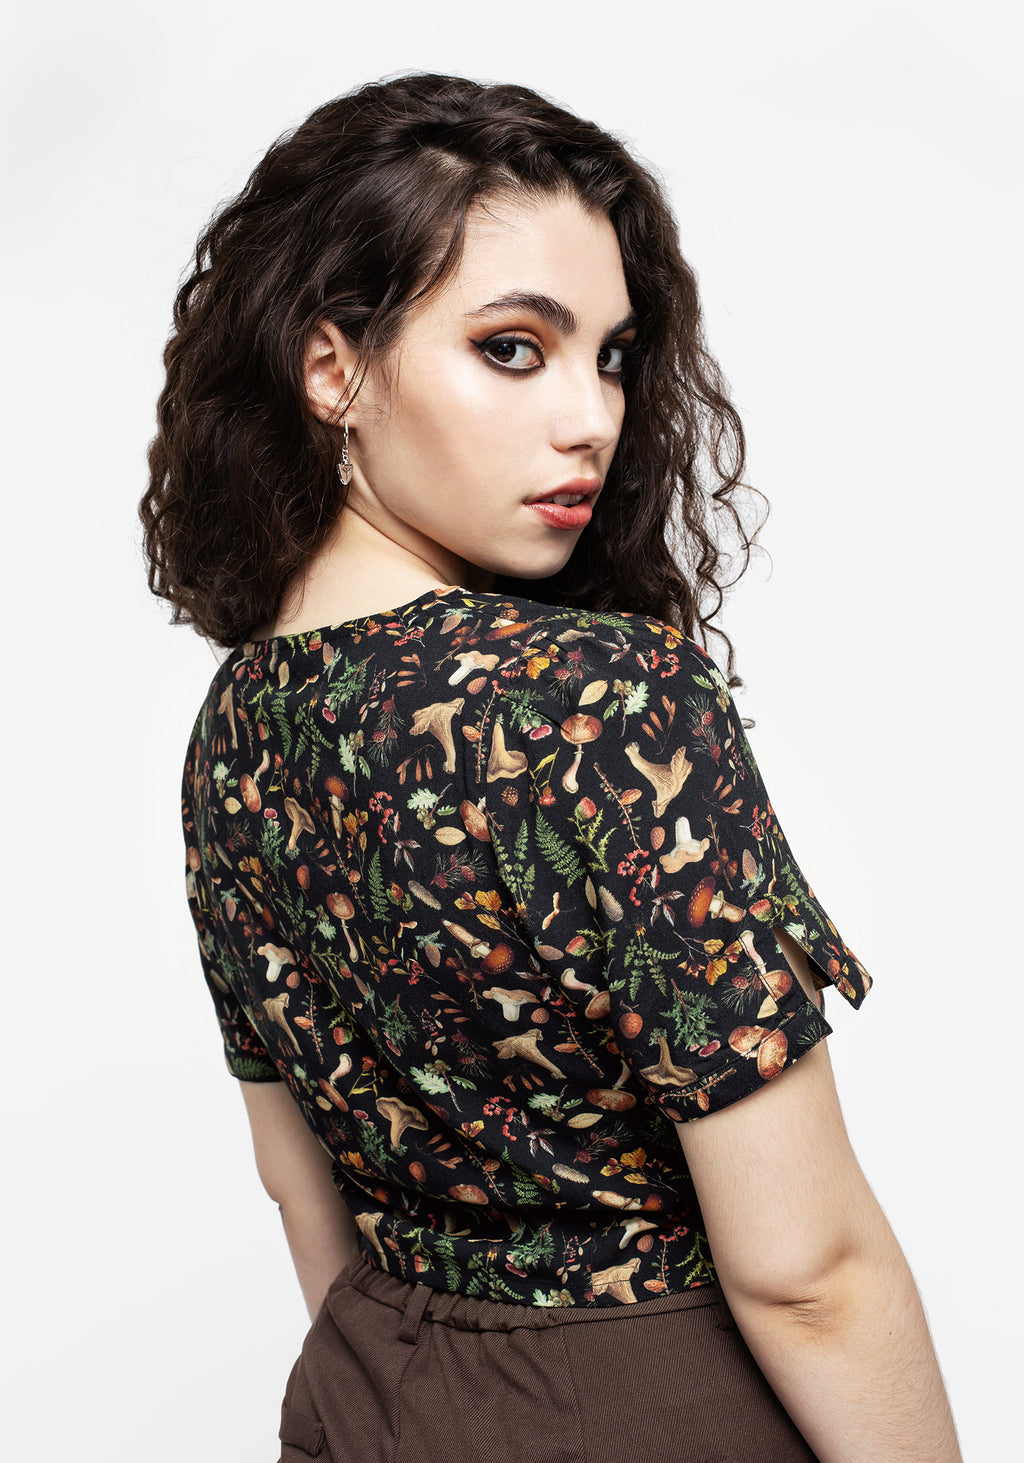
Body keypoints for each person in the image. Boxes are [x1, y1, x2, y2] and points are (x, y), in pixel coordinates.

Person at [140, 71, 962, 1463]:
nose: (591, 416)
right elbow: (807, 1270)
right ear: (334, 369)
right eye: (514, 348)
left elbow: (297, 1187)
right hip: (651, 1408)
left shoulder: (238, 725)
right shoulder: (601, 699)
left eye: (614, 356)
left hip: (365, 1396)